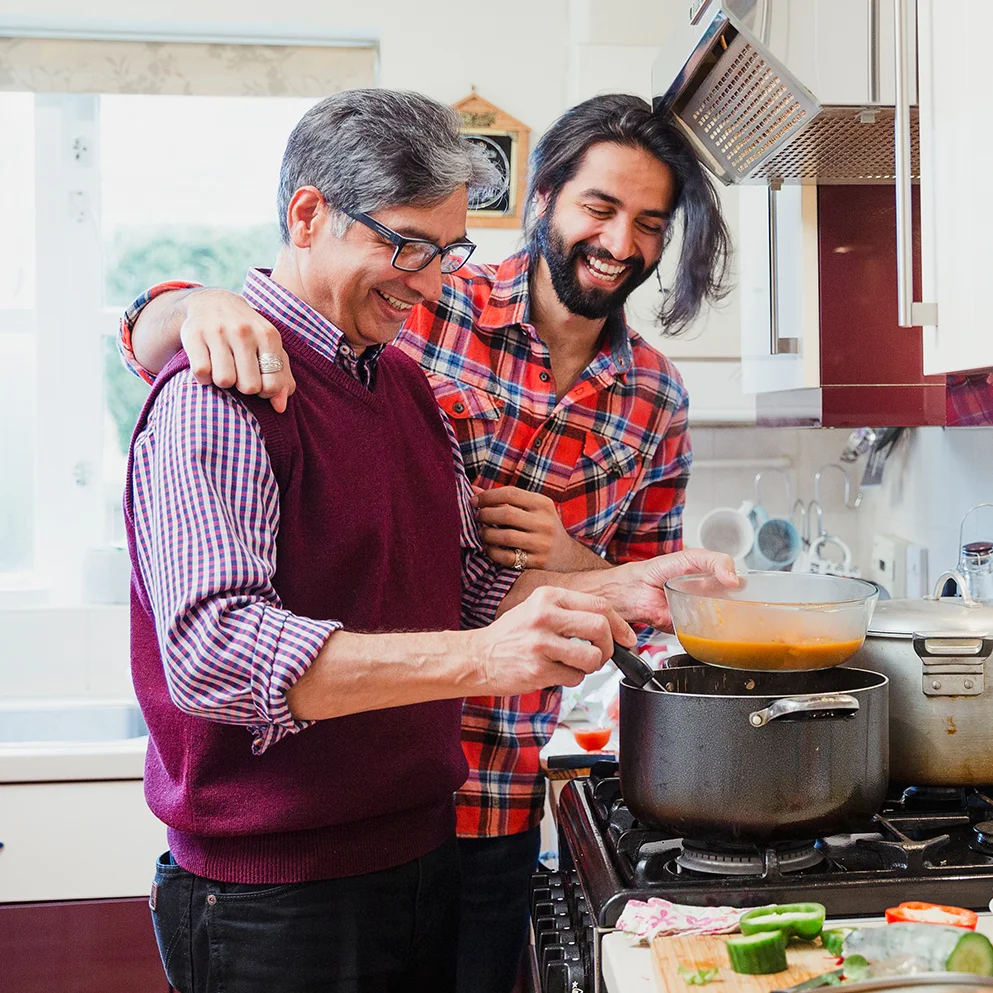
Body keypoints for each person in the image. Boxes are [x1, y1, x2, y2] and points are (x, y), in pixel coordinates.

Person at [120, 93, 732, 993]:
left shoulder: (401, 381)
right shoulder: (220, 390)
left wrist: (626, 585)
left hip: (433, 837)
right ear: (307, 214)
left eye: (446, 254)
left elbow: (464, 582)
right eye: (409, 246)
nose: (430, 281)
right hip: (280, 888)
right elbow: (213, 655)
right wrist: (180, 304)